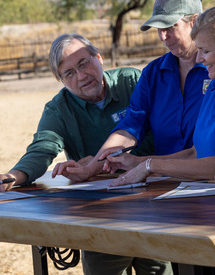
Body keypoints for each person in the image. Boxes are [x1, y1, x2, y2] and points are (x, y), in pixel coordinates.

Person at [0, 34, 171, 275]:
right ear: (60, 80)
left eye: (83, 63)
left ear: (99, 58)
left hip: (158, 206)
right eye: (68, 73)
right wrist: (12, 177)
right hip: (102, 214)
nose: (81, 76)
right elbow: (42, 148)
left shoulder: (132, 81)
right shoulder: (58, 109)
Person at [103, 5, 215, 185]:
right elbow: (195, 153)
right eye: (198, 49)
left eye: (205, 51)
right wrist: (138, 163)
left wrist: (151, 166)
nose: (199, 59)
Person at [53, 0, 210, 182]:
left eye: (170, 27)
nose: (163, 36)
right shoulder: (153, 73)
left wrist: (143, 163)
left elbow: (208, 151)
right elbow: (131, 125)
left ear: (194, 22)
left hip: (212, 180)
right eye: (159, 29)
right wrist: (91, 168)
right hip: (163, 183)